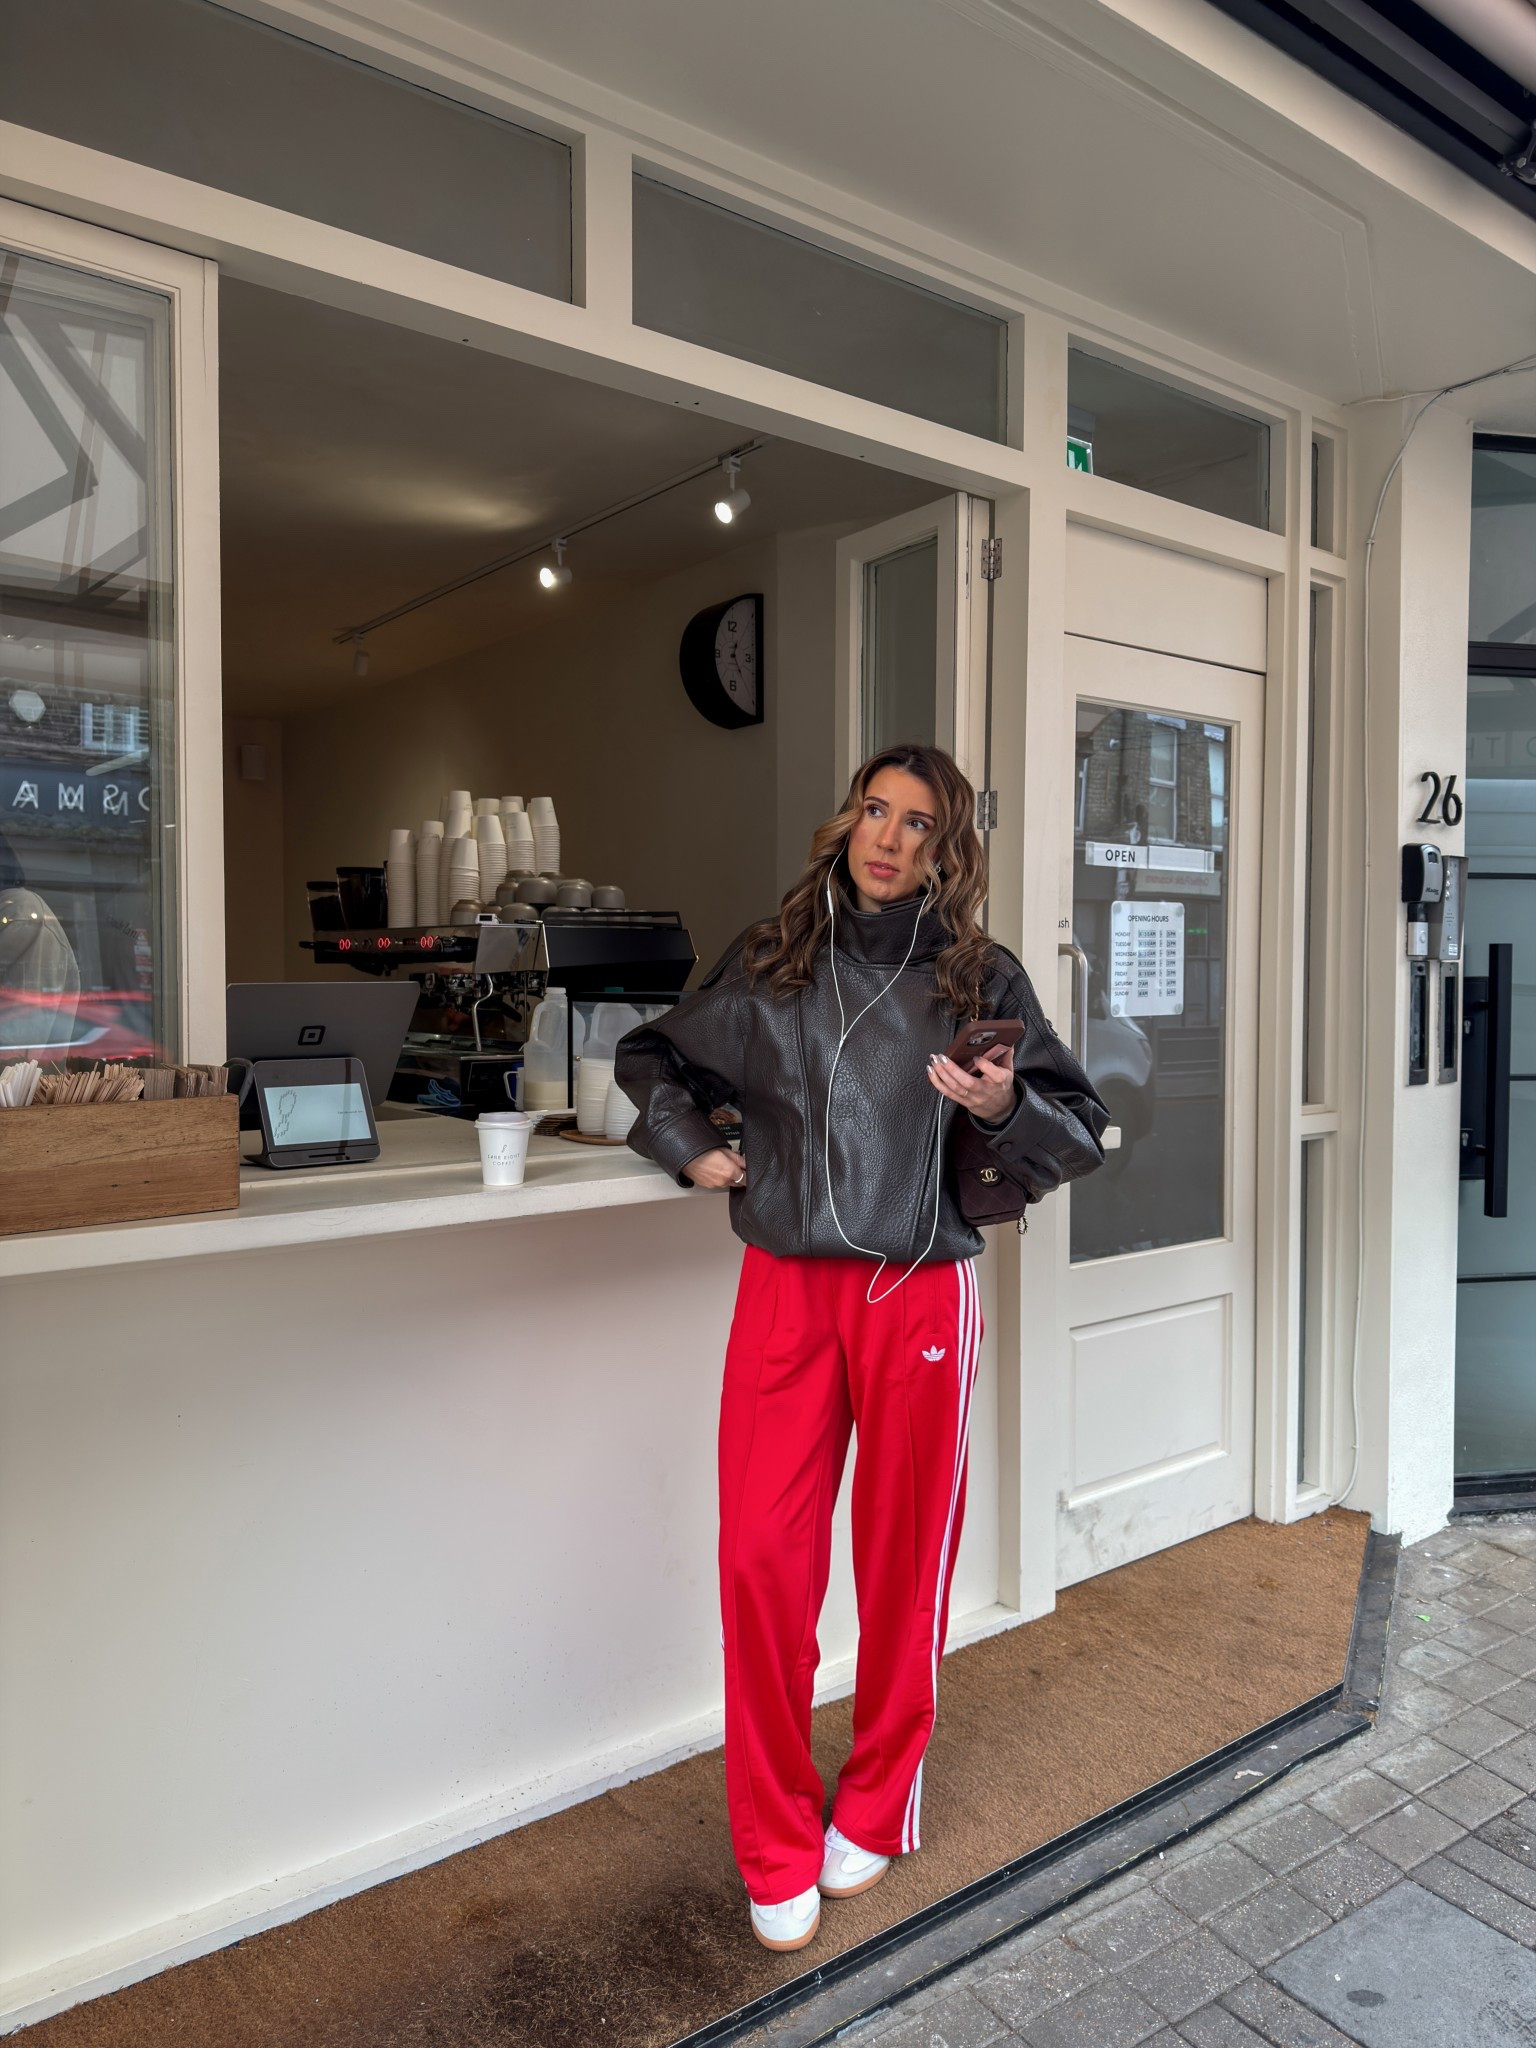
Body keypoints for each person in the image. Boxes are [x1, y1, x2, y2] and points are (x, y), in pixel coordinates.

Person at [615, 744, 1106, 1953]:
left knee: (902, 1565)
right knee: (760, 1565)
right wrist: (689, 1142)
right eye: (874, 811)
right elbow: (652, 1053)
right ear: (847, 822)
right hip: (786, 1288)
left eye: (917, 821)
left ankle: (879, 1800)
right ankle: (773, 1835)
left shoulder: (979, 975)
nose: (887, 837)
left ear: (949, 846)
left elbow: (1080, 1129)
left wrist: (999, 1105)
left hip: (918, 1290)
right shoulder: (774, 956)